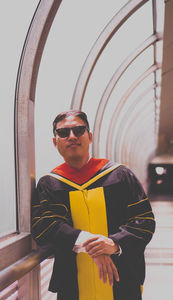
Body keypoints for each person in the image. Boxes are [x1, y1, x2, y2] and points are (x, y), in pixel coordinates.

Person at [31, 110, 155, 300]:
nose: (72, 136)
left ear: (89, 137)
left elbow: (144, 221)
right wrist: (91, 245)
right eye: (63, 133)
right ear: (55, 142)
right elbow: (45, 226)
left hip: (122, 279)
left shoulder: (120, 176)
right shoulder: (50, 184)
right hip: (72, 284)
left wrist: (114, 243)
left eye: (79, 130)